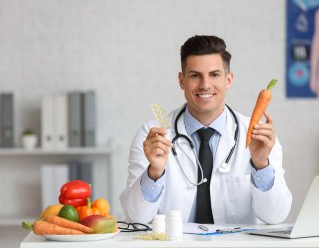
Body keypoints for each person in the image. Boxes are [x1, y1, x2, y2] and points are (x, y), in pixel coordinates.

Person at [120, 35, 292, 224]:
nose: (205, 85)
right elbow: (135, 217)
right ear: (181, 81)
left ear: (228, 79)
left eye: (214, 74)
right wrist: (154, 172)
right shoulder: (152, 134)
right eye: (195, 75)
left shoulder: (260, 136)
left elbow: (275, 217)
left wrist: (261, 165)